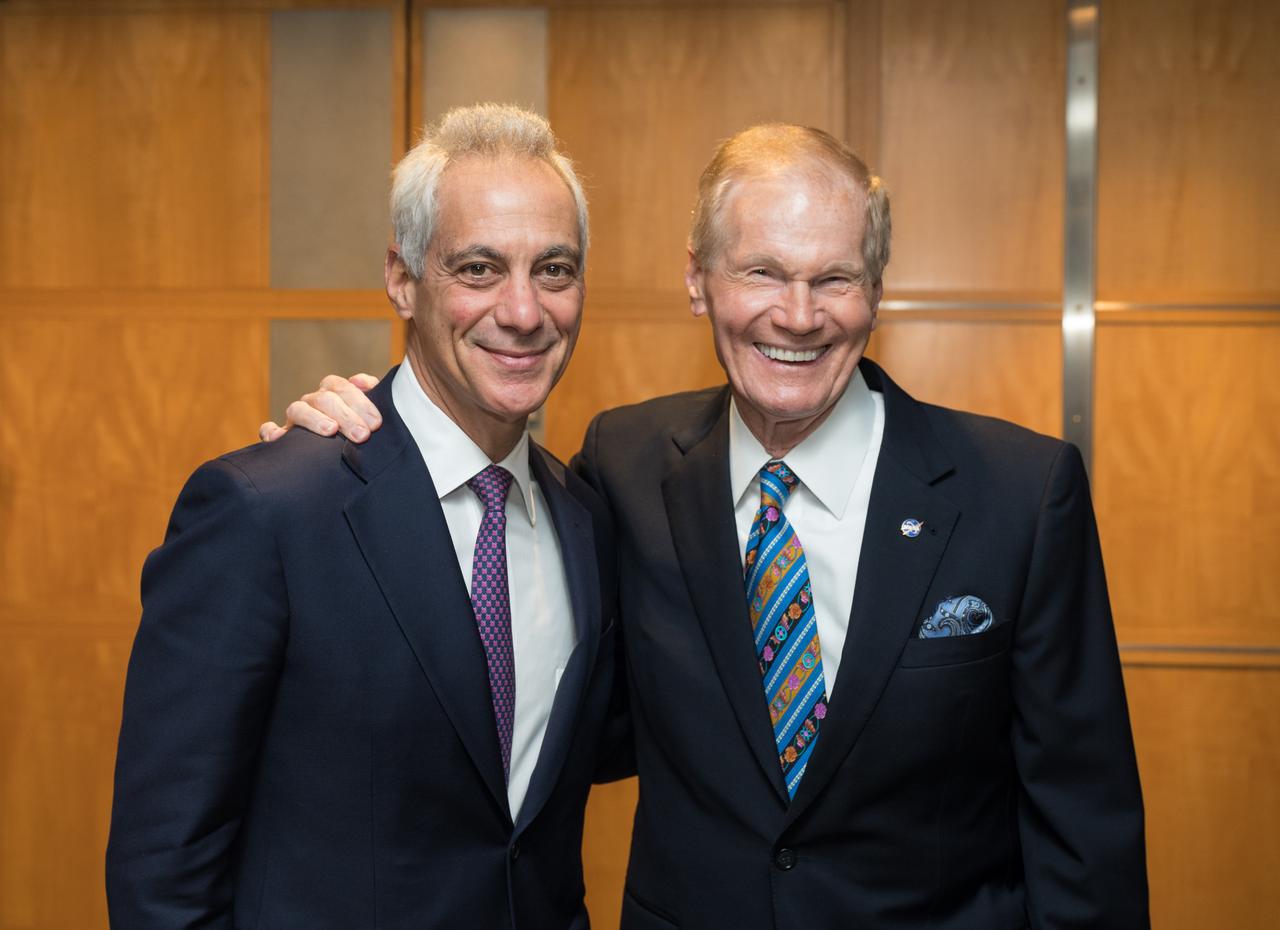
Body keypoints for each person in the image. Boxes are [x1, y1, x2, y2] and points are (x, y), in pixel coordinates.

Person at [271, 124, 1148, 928]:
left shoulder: (1019, 495)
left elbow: (1086, 828)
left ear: (875, 291)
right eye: (762, 272)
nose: (798, 315)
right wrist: (366, 448)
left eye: (834, 278)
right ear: (699, 280)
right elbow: (538, 700)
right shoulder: (626, 463)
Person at [106, 104, 619, 929]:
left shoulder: (585, 521)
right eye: (479, 269)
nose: (524, 312)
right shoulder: (267, 510)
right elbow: (164, 864)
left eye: (554, 270)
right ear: (402, 277)